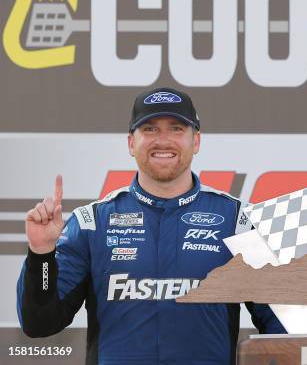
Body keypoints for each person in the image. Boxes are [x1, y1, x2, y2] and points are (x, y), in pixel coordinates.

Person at [16, 87, 286, 364]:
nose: (163, 140)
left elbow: (284, 331)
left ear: (196, 141)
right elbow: (39, 323)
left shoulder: (238, 221)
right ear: (131, 143)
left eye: (177, 128)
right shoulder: (91, 223)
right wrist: (41, 254)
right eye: (150, 129)